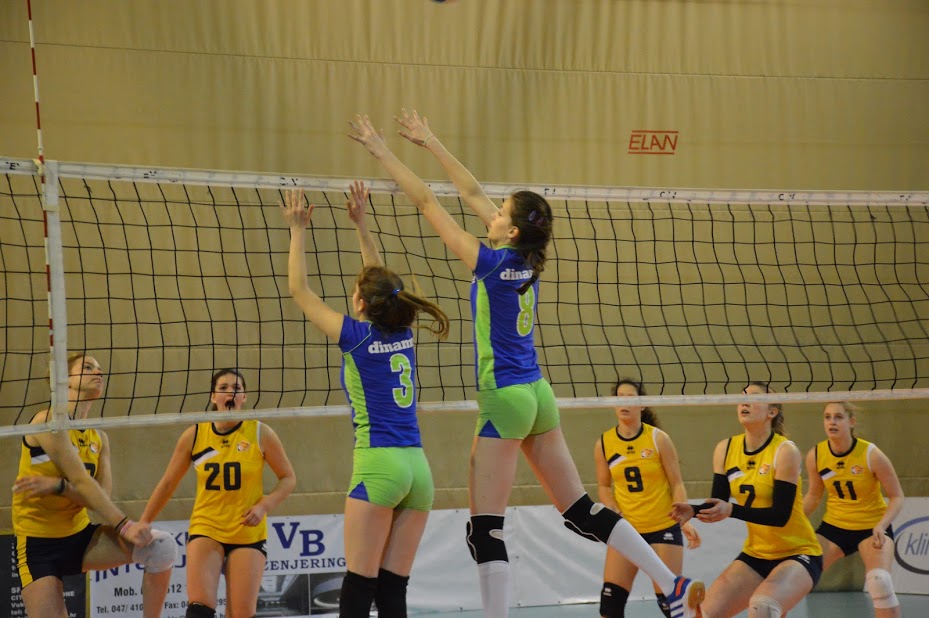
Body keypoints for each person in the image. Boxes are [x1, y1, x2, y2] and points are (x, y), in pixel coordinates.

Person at [348, 110, 704, 618]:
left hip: (507, 398)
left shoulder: (490, 263)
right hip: (538, 392)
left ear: (510, 230)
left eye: (499, 213)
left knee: (485, 529)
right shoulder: (528, 258)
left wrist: (382, 151)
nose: (489, 212)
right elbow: (471, 191)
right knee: (580, 508)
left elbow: (427, 202)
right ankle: (671, 582)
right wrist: (430, 142)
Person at [282, 181, 450, 618]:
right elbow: (379, 280)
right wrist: (361, 224)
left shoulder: (354, 337)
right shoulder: (405, 334)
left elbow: (300, 291)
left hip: (379, 465)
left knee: (358, 586)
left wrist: (297, 229)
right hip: (418, 470)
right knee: (393, 592)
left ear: (359, 302)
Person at [12, 353, 175, 618]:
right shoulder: (47, 422)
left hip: (81, 538)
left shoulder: (99, 438)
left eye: (99, 369)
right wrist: (125, 525)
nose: (98, 373)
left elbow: (99, 498)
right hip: (38, 545)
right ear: (64, 379)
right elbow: (81, 481)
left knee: (161, 548)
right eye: (87, 367)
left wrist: (61, 487)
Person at [141, 368, 296, 618]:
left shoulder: (260, 432)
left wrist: (263, 506)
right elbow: (168, 483)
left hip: (247, 532)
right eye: (223, 388)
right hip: (207, 527)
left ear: (244, 397)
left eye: (236, 388)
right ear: (213, 396)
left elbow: (288, 478)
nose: (230, 392)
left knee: (242, 613)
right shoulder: (195, 435)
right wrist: (144, 521)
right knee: (199, 609)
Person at [671, 382, 823, 618]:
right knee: (701, 615)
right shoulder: (725, 449)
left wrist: (732, 509)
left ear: (772, 412)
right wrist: (693, 509)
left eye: (753, 398)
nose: (744, 402)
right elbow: (717, 504)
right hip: (756, 555)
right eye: (742, 397)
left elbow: (780, 516)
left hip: (798, 553)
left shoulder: (785, 451)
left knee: (763, 606)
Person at [594, 378, 701, 618]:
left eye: (630, 397)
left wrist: (683, 519)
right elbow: (603, 486)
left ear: (643, 404)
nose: (624, 403)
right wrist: (612, 507)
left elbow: (677, 483)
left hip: (662, 526)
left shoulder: (658, 438)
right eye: (619, 398)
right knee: (610, 602)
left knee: (669, 603)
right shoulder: (604, 443)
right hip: (627, 530)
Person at [803, 402, 904, 617]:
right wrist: (791, 522)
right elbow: (813, 495)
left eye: (838, 417)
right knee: (797, 575)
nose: (832, 422)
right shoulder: (816, 455)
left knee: (880, 582)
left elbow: (897, 496)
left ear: (851, 422)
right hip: (834, 527)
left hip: (872, 527)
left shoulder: (871, 454)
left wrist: (882, 525)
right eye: (827, 417)